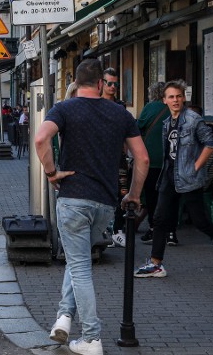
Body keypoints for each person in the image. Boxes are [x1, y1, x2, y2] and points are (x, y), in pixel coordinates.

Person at [35, 58, 148, 355]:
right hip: (105, 203)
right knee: (78, 261)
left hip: (73, 197)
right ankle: (63, 318)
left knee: (79, 268)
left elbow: (40, 138)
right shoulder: (119, 113)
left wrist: (51, 173)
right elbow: (143, 159)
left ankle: (92, 338)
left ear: (76, 81)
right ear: (101, 84)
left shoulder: (65, 108)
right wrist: (133, 194)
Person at [134, 81, 213, 280]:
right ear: (164, 100)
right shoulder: (167, 122)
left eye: (178, 96)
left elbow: (210, 144)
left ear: (183, 98)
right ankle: (155, 263)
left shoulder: (193, 119)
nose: (175, 100)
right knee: (160, 219)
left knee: (200, 222)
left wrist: (195, 167)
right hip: (169, 175)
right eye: (171, 97)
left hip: (188, 178)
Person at [136, 82, 171, 244]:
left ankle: (153, 228)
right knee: (170, 196)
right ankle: (171, 232)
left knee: (151, 195)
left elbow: (138, 127)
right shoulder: (173, 108)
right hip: (171, 159)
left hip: (152, 159)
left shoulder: (150, 108)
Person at [102, 67, 132, 248]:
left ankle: (118, 231)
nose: (113, 87)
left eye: (116, 83)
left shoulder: (120, 107)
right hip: (101, 157)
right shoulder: (96, 103)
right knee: (103, 193)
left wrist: (127, 154)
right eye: (110, 83)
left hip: (119, 157)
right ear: (102, 83)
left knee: (122, 191)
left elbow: (127, 133)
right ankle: (105, 230)